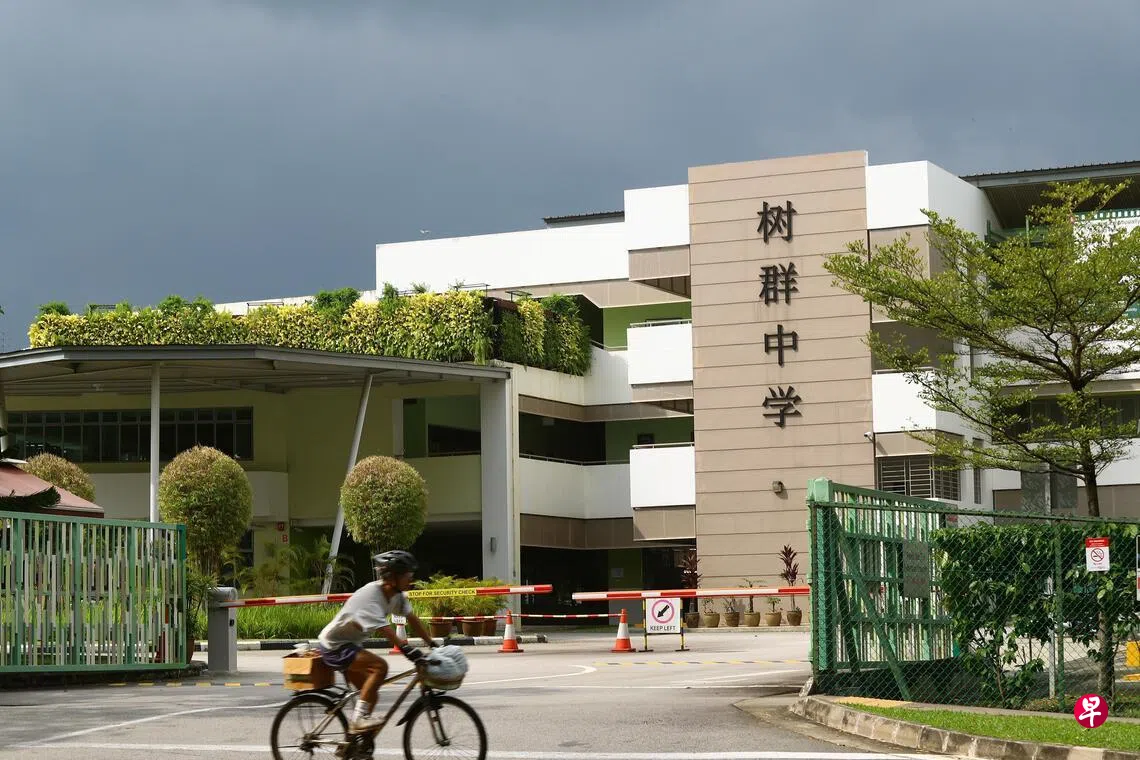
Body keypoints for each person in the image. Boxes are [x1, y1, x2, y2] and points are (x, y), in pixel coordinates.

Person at [316, 549, 437, 734]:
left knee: (370, 697)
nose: (410, 579)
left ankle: (355, 742)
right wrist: (408, 650)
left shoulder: (396, 595)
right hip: (335, 646)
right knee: (380, 667)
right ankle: (358, 720)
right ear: (392, 578)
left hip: (350, 645)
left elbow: (412, 618)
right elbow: (386, 631)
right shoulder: (371, 595)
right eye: (407, 576)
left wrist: (431, 643)